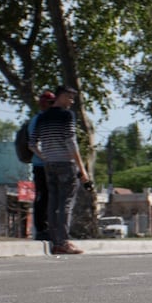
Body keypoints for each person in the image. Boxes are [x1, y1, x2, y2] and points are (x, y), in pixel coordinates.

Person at [29, 86, 90, 255]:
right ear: (61, 96)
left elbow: (32, 144)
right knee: (66, 203)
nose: (71, 101)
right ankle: (63, 242)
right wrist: (82, 169)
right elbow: (71, 142)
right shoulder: (66, 115)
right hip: (66, 164)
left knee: (53, 202)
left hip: (49, 165)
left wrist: (45, 157)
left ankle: (55, 241)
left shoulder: (42, 117)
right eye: (69, 97)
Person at [27, 90, 55, 240]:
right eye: (51, 103)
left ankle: (51, 227)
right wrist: (45, 158)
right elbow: (33, 144)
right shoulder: (37, 120)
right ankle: (41, 229)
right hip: (40, 166)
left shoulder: (50, 120)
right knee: (42, 196)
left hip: (52, 165)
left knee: (52, 196)